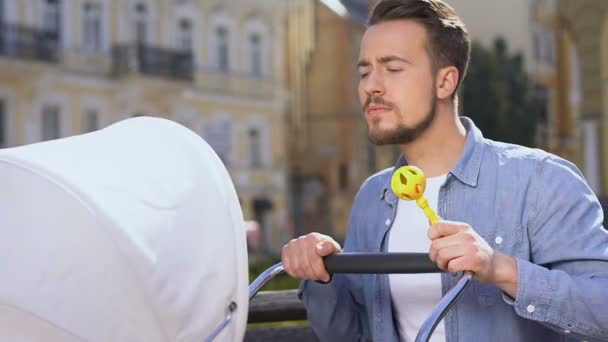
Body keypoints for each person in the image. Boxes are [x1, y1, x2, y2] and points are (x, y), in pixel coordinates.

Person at [280, 0, 608, 341]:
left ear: (445, 81)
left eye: (392, 69)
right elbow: (352, 335)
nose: (371, 86)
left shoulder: (541, 180)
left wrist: (501, 269)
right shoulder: (373, 198)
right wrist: (322, 274)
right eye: (364, 72)